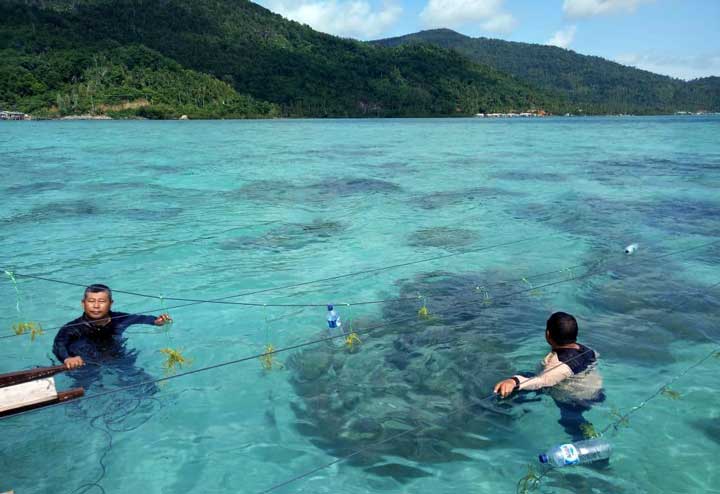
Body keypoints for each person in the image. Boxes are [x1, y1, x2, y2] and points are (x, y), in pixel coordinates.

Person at [493, 312, 604, 440]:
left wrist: (513, 381)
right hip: (597, 393)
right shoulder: (587, 350)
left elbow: (541, 381)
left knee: (569, 421)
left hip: (576, 400)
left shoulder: (559, 364)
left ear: (548, 335)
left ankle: (586, 440)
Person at [53, 284, 172, 369]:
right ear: (83, 303)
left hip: (118, 358)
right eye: (91, 301)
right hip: (86, 364)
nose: (96, 306)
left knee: (147, 386)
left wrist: (157, 321)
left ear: (111, 303)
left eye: (101, 301)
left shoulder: (119, 319)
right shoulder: (71, 328)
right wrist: (67, 358)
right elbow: (59, 345)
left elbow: (141, 319)